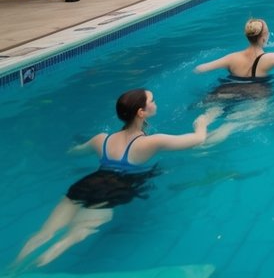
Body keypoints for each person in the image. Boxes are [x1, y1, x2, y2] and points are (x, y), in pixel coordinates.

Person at [14, 89, 220, 267]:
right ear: (141, 112)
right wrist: (203, 122)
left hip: (87, 183)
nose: (155, 103)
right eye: (152, 100)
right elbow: (198, 140)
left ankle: (13, 267)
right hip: (113, 189)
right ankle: (33, 268)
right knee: (72, 237)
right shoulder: (151, 142)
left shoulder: (101, 139)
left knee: (44, 233)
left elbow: (74, 152)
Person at [193, 19, 274, 114]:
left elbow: (200, 69)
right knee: (231, 125)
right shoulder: (271, 58)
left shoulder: (231, 57)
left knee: (210, 114)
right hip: (255, 95)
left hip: (226, 89)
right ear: (264, 38)